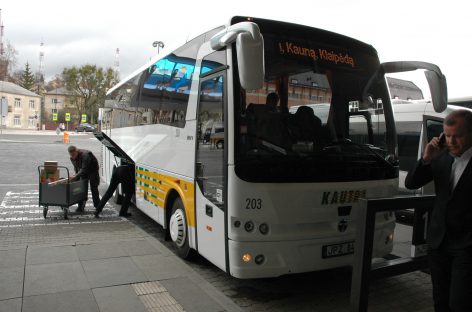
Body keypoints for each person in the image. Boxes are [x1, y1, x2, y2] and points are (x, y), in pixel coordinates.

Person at [405, 109, 472, 312]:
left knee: (460, 303)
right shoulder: (441, 157)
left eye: (457, 136)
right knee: (440, 301)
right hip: (438, 243)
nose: (451, 141)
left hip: (467, 246)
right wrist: (426, 159)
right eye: (447, 135)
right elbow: (411, 183)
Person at [68, 145, 100, 212]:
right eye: (71, 155)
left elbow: (84, 169)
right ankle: (81, 206)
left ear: (77, 151)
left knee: (94, 188)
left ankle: (98, 206)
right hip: (83, 171)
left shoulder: (85, 155)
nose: (73, 157)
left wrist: (75, 176)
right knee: (81, 188)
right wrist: (76, 177)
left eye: (74, 154)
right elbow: (76, 168)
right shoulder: (72, 158)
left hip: (92, 170)